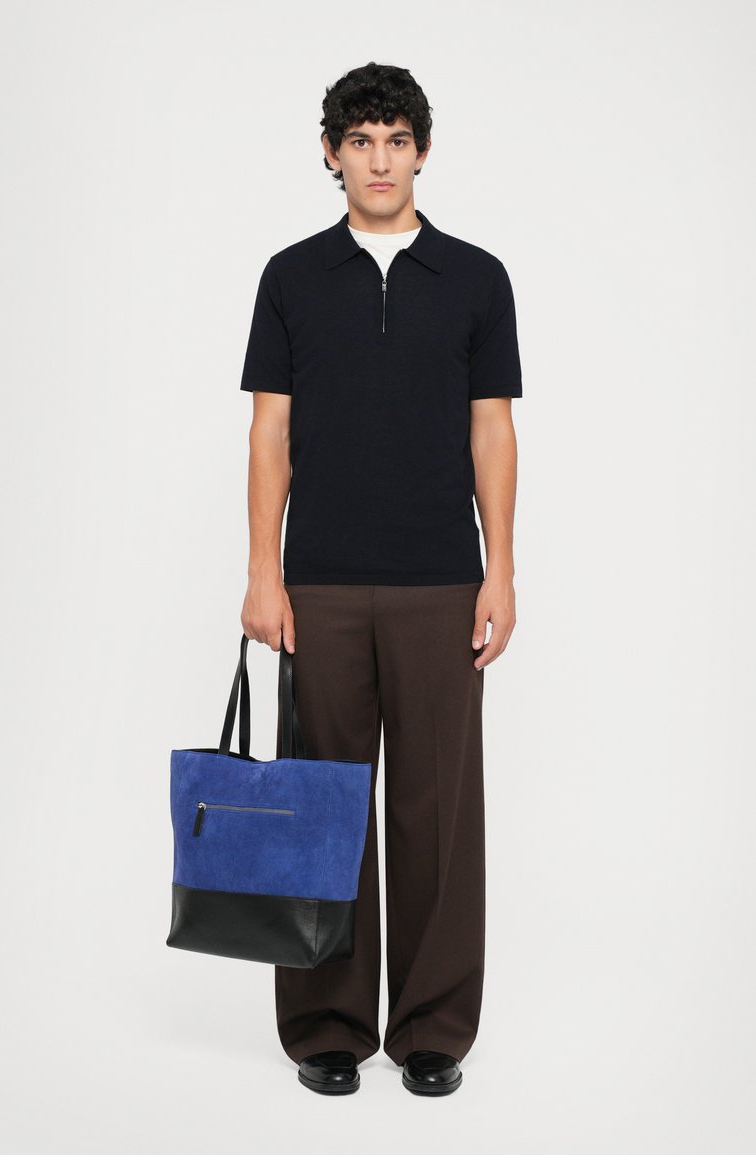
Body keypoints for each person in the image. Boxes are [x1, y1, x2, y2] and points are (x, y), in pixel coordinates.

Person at [239, 61, 522, 1096]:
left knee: (436, 815)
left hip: (442, 582)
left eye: (397, 139)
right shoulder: (290, 276)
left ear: (422, 152)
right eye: (359, 141)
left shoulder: (476, 279)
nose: (379, 159)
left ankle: (433, 1029)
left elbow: (492, 430)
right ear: (331, 154)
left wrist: (500, 569)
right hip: (317, 585)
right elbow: (269, 433)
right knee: (323, 809)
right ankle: (326, 1025)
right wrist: (263, 572)